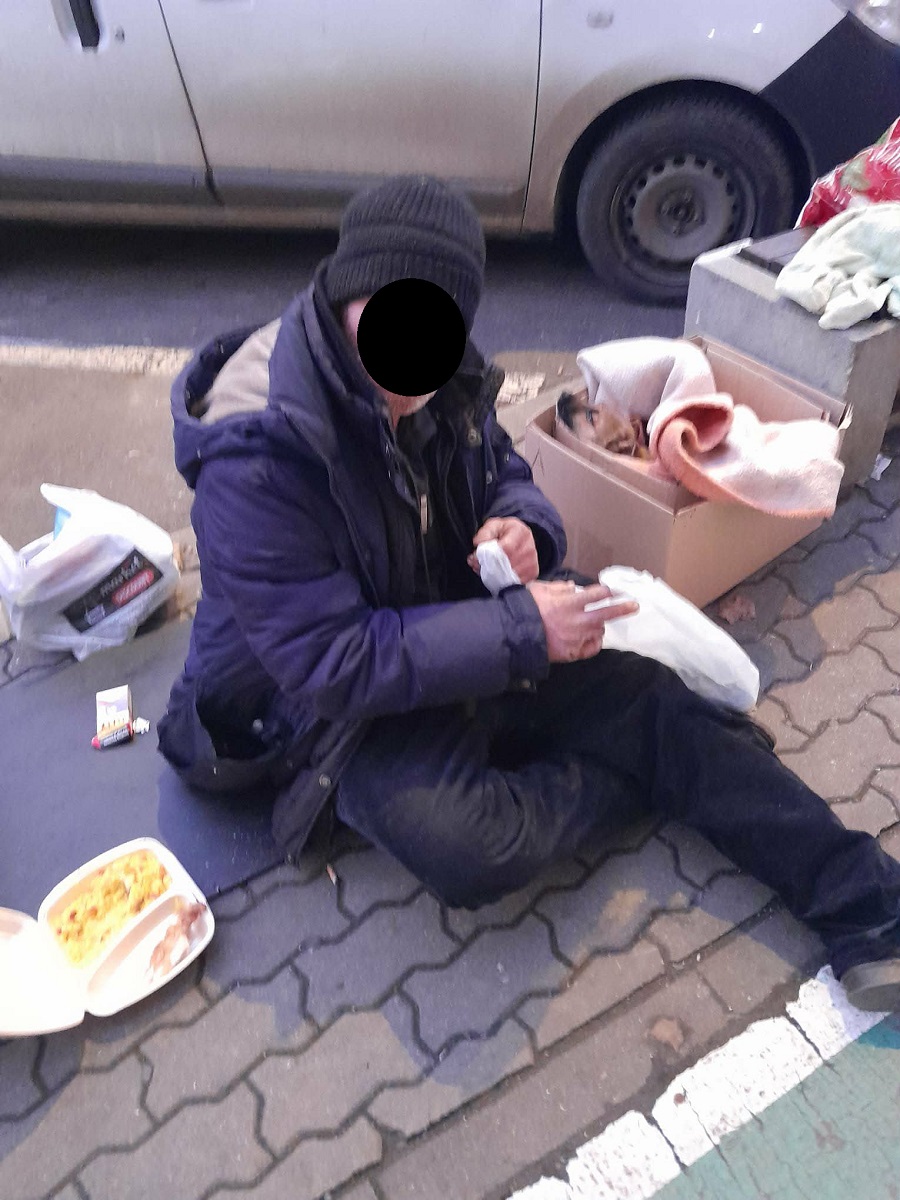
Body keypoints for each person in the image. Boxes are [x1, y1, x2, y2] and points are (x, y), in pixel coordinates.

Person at [159, 174, 900, 1013]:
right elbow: (330, 663)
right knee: (470, 847)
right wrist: (521, 633)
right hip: (324, 712)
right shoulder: (257, 454)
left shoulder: (436, 370)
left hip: (452, 616)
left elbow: (506, 469)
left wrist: (524, 527)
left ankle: (869, 910)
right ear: (345, 294)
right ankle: (659, 764)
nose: (412, 375)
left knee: (647, 697)